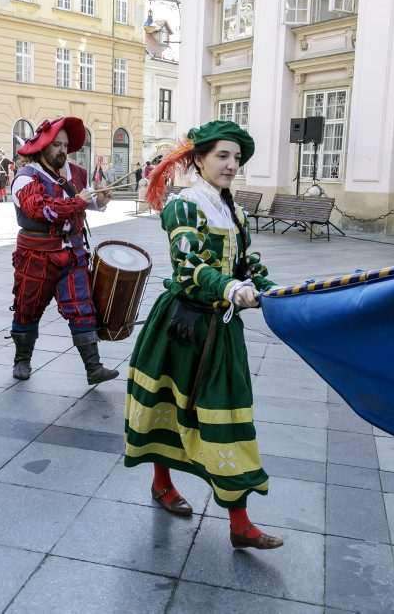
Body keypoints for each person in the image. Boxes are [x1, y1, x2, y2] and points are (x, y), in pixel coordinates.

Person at [123, 121, 283, 550]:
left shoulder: (236, 211)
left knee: (227, 415)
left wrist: (266, 287)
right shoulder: (184, 206)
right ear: (198, 159)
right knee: (169, 408)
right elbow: (189, 267)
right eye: (222, 156)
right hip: (183, 325)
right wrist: (231, 288)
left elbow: (244, 265)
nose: (232, 165)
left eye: (236, 158)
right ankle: (162, 483)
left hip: (221, 329)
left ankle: (239, 523)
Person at [8, 117, 117, 385]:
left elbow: (87, 203)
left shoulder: (77, 172)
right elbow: (40, 209)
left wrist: (99, 200)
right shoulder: (26, 177)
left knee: (82, 307)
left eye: (65, 145)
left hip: (73, 251)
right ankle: (22, 359)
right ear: (43, 146)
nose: (62, 150)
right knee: (27, 307)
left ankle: (94, 367)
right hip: (36, 254)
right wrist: (77, 201)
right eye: (56, 144)